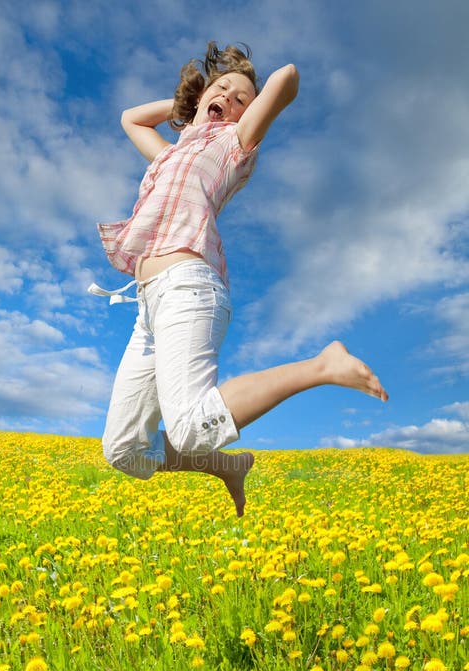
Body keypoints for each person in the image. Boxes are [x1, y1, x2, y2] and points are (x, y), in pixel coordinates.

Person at [89, 42, 388, 517]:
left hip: (190, 289)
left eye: (240, 97)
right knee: (123, 450)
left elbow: (287, 76)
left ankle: (323, 365)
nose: (229, 97)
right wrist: (191, 103)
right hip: (147, 306)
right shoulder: (170, 154)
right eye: (222, 88)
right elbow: (130, 118)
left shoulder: (234, 144)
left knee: (188, 427)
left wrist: (245, 102)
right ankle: (226, 466)